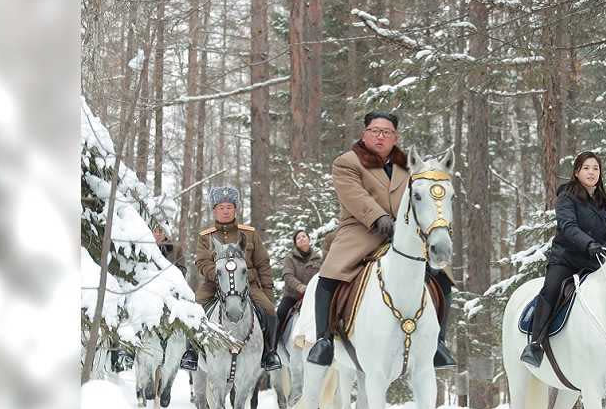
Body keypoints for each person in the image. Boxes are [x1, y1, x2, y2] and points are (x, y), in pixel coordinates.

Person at [306, 111, 456, 369]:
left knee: (443, 277)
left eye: (386, 132)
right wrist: (379, 218)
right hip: (361, 231)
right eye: (375, 130)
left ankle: (438, 343)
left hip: (404, 234)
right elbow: (354, 196)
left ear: (395, 137)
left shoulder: (408, 165)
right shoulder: (347, 162)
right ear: (364, 134)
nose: (380, 136)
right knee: (329, 277)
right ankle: (324, 341)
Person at [520, 151, 606, 371]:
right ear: (577, 172)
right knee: (550, 289)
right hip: (566, 259)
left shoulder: (602, 202)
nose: (591, 172)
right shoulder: (566, 197)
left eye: (596, 168)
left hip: (595, 261)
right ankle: (536, 344)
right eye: (586, 167)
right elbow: (568, 227)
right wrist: (589, 244)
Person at [179, 186, 282, 371]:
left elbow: (263, 263)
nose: (225, 211)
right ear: (214, 210)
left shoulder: (250, 234)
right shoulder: (206, 237)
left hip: (248, 284)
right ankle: (192, 352)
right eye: (221, 207)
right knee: (195, 309)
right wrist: (219, 275)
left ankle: (269, 353)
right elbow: (202, 262)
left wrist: (268, 292)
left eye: (229, 207)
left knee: (270, 311)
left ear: (236, 209)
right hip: (214, 284)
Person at [277, 229, 322, 339]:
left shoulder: (318, 259)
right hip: (292, 296)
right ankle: (273, 344)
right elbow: (288, 275)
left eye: (304, 236)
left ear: (309, 239)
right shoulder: (289, 258)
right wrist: (299, 287)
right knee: (280, 314)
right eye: (298, 238)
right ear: (295, 243)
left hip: (312, 296)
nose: (301, 239)